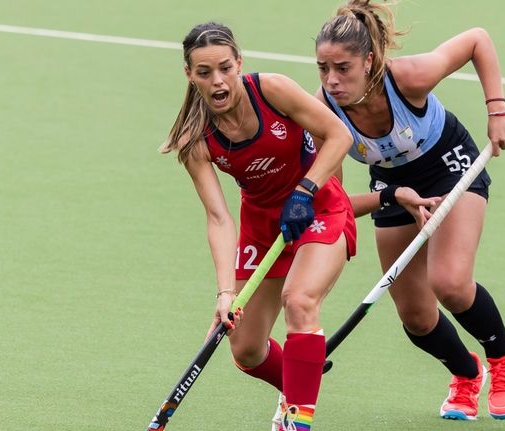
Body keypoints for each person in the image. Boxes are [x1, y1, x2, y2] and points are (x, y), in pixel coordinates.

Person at [160, 21, 438, 431]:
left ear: (239, 63)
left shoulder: (271, 90)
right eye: (204, 72)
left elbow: (338, 135)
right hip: (262, 226)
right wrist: (224, 294)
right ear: (189, 75)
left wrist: (305, 191)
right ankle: (300, 377)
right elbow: (219, 218)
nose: (217, 81)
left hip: (319, 207)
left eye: (224, 68)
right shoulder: (195, 140)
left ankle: (297, 420)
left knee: (300, 300)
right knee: (246, 347)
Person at [311, 0, 505, 422]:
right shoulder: (324, 113)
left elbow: (476, 40)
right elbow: (334, 203)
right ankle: (467, 374)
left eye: (343, 68)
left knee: (449, 283)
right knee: (416, 315)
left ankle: (504, 356)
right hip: (393, 186)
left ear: (369, 61)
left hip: (449, 164)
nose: (332, 81)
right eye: (323, 69)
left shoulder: (407, 76)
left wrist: (497, 108)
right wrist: (392, 198)